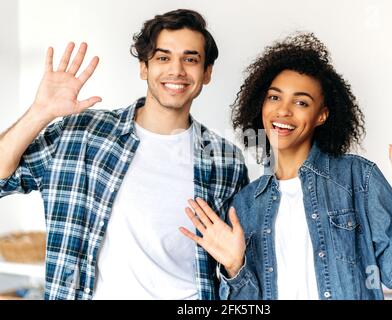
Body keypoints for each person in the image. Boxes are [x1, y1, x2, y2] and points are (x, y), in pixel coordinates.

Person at [0, 9, 248, 300]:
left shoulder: (225, 160)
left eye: (190, 59)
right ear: (144, 67)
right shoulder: (81, 133)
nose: (177, 70)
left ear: (206, 73)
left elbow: (237, 266)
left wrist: (236, 267)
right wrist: (39, 114)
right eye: (163, 57)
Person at [180, 33, 392, 300]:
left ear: (322, 115)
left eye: (301, 102)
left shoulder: (357, 178)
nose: (283, 111)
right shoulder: (246, 204)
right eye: (274, 97)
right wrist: (234, 267)